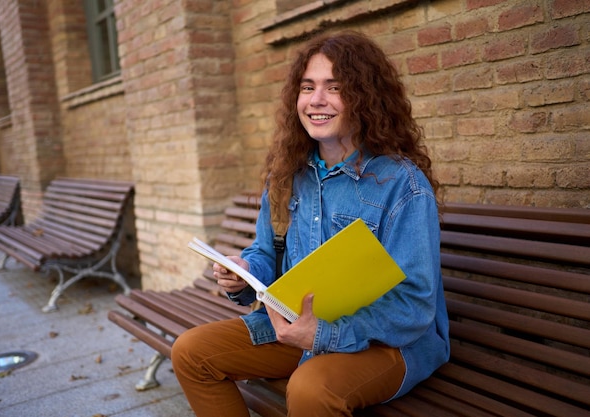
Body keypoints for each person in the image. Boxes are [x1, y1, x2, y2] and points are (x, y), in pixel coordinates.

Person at [171, 31, 450, 417]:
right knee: (190, 352)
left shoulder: (402, 184)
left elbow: (415, 303)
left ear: (366, 98)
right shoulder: (288, 174)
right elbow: (268, 250)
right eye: (308, 87)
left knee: (310, 389)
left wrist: (326, 334)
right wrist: (246, 269)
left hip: (387, 343)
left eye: (334, 88)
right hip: (297, 329)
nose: (316, 100)